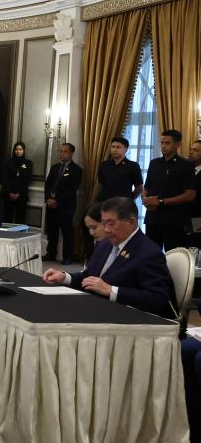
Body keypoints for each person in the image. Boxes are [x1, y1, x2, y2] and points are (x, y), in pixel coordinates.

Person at [42, 197, 175, 318]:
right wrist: (64, 277)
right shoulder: (105, 244)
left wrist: (111, 290)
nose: (106, 229)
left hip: (127, 319)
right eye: (104, 223)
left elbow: (158, 298)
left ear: (131, 222)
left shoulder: (149, 253)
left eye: (111, 223)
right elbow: (90, 277)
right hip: (98, 310)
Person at [142, 129, 196, 251]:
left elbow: (190, 195)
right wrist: (145, 200)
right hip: (152, 218)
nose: (163, 146)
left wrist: (161, 202)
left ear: (177, 144)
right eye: (162, 142)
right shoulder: (154, 163)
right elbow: (146, 187)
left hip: (173, 220)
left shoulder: (186, 165)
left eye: (167, 143)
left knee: (173, 255)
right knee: (150, 254)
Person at [43, 142, 82, 264]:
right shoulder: (55, 167)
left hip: (66, 206)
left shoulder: (76, 170)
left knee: (67, 232)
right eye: (60, 151)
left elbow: (72, 189)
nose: (62, 154)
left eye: (65, 151)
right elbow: (48, 184)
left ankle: (67, 256)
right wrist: (48, 198)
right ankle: (51, 253)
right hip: (51, 205)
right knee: (52, 230)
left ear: (71, 153)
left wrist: (57, 201)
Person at [95, 136, 142, 202]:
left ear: (126, 149)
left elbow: (139, 188)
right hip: (105, 202)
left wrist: (129, 199)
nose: (114, 150)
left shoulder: (133, 166)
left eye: (118, 147)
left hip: (123, 203)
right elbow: (100, 184)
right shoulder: (104, 165)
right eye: (113, 147)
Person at [0, 142, 32, 224]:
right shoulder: (8, 162)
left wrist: (18, 193)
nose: (18, 151)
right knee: (7, 218)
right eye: (16, 149)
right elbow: (5, 179)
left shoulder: (28, 163)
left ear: (24, 151)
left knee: (20, 218)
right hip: (8, 194)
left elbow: (27, 180)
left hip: (21, 195)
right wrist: (10, 192)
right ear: (14, 150)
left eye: (20, 149)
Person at [187, 140, 201, 248]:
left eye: (195, 150)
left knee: (195, 247)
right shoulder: (185, 170)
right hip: (181, 218)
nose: (191, 152)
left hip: (198, 217)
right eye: (191, 149)